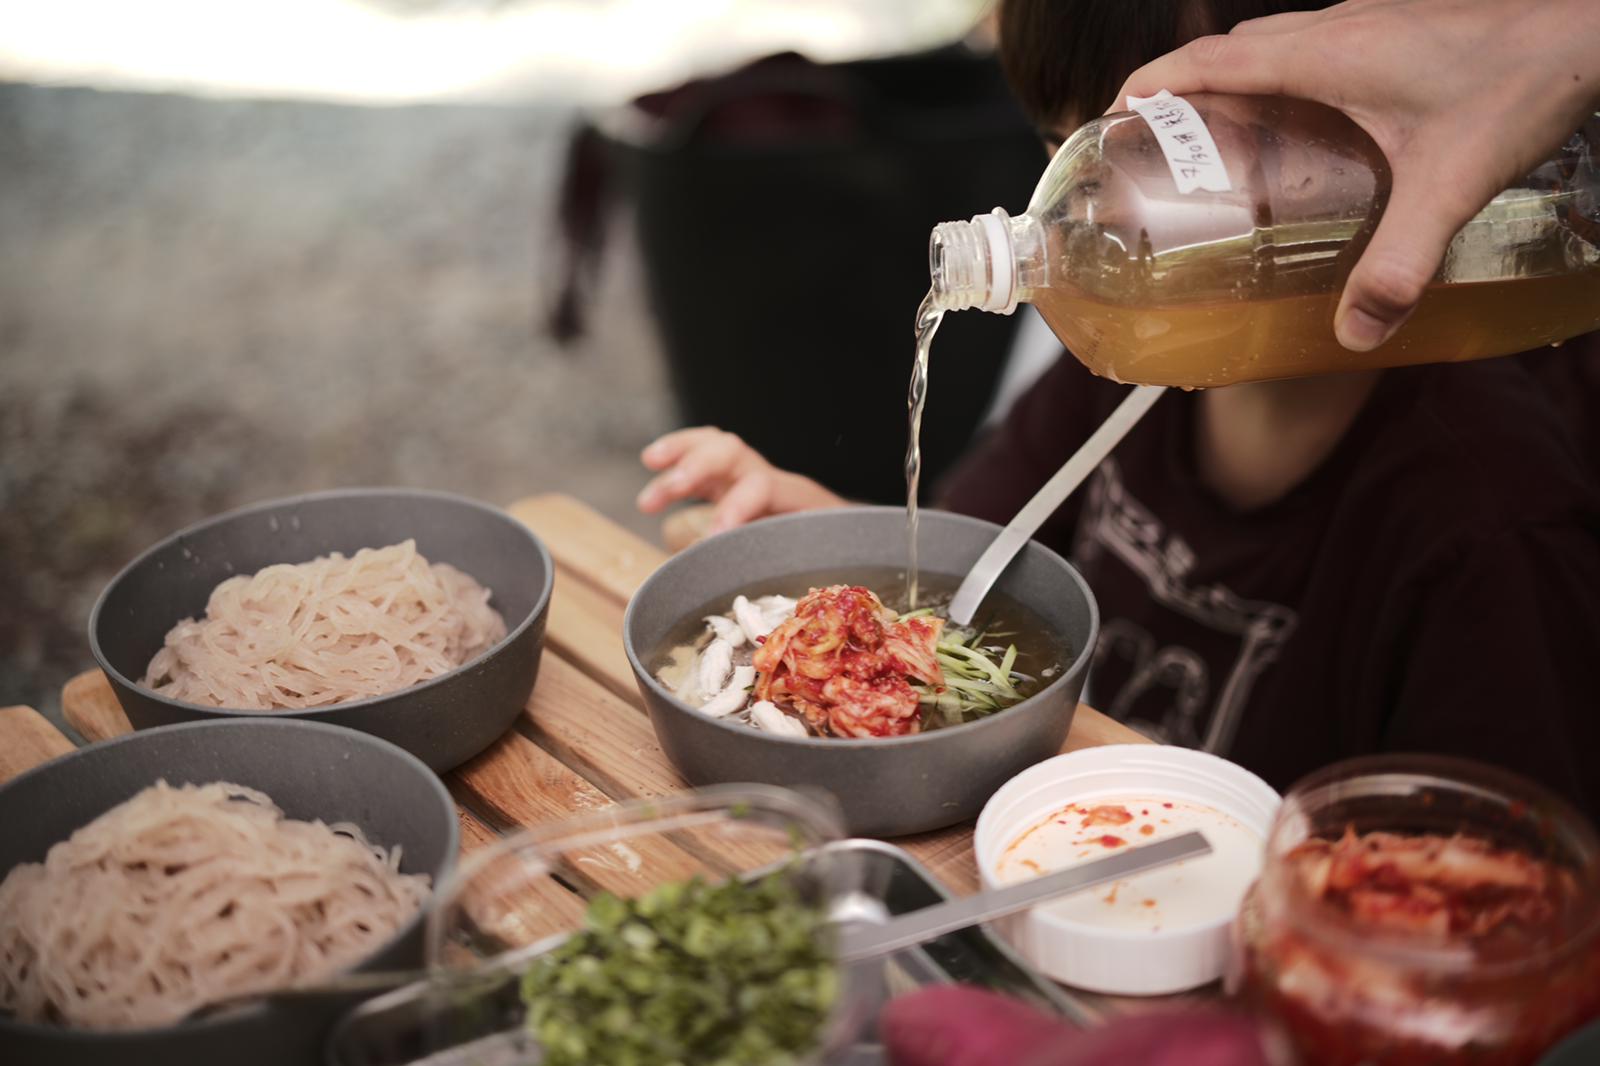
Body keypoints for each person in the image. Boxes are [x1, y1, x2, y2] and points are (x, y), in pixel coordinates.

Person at [638, 0, 1600, 824]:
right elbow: (956, 589)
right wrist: (817, 560)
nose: (1100, 219)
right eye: (1072, 155)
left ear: (1353, 145)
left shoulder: (1491, 522)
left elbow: (1494, 918)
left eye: (1164, 164)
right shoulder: (1120, 380)